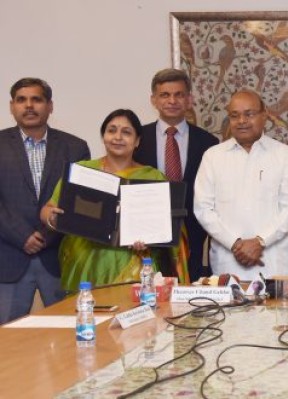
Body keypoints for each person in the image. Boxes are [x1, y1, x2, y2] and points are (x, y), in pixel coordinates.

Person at [41, 109, 188, 292]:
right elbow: (48, 208)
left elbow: (170, 226)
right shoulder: (82, 171)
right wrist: (52, 218)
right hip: (85, 260)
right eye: (112, 130)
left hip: (135, 263)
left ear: (137, 141)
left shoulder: (153, 176)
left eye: (126, 132)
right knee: (89, 315)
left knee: (135, 315)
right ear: (103, 137)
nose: (118, 137)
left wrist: (151, 239)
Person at [0, 78, 90, 323]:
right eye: (21, 100)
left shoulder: (75, 147)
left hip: (59, 256)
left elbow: (78, 203)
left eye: (36, 99)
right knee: (6, 342)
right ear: (12, 106)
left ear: (50, 106)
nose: (29, 106)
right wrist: (22, 236)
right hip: (9, 258)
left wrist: (47, 234)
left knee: (70, 334)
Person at [194, 90, 288, 280]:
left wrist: (260, 242)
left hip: (275, 266)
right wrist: (235, 244)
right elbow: (203, 209)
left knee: (277, 311)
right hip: (227, 265)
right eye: (234, 116)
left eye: (249, 114)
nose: (241, 121)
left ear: (264, 115)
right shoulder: (213, 156)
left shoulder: (284, 155)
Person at [134, 68, 219, 282]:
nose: (172, 100)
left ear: (189, 99)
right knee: (149, 288)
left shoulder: (208, 142)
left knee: (189, 289)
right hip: (147, 231)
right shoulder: (137, 138)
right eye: (165, 95)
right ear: (153, 100)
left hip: (193, 230)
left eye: (179, 94)